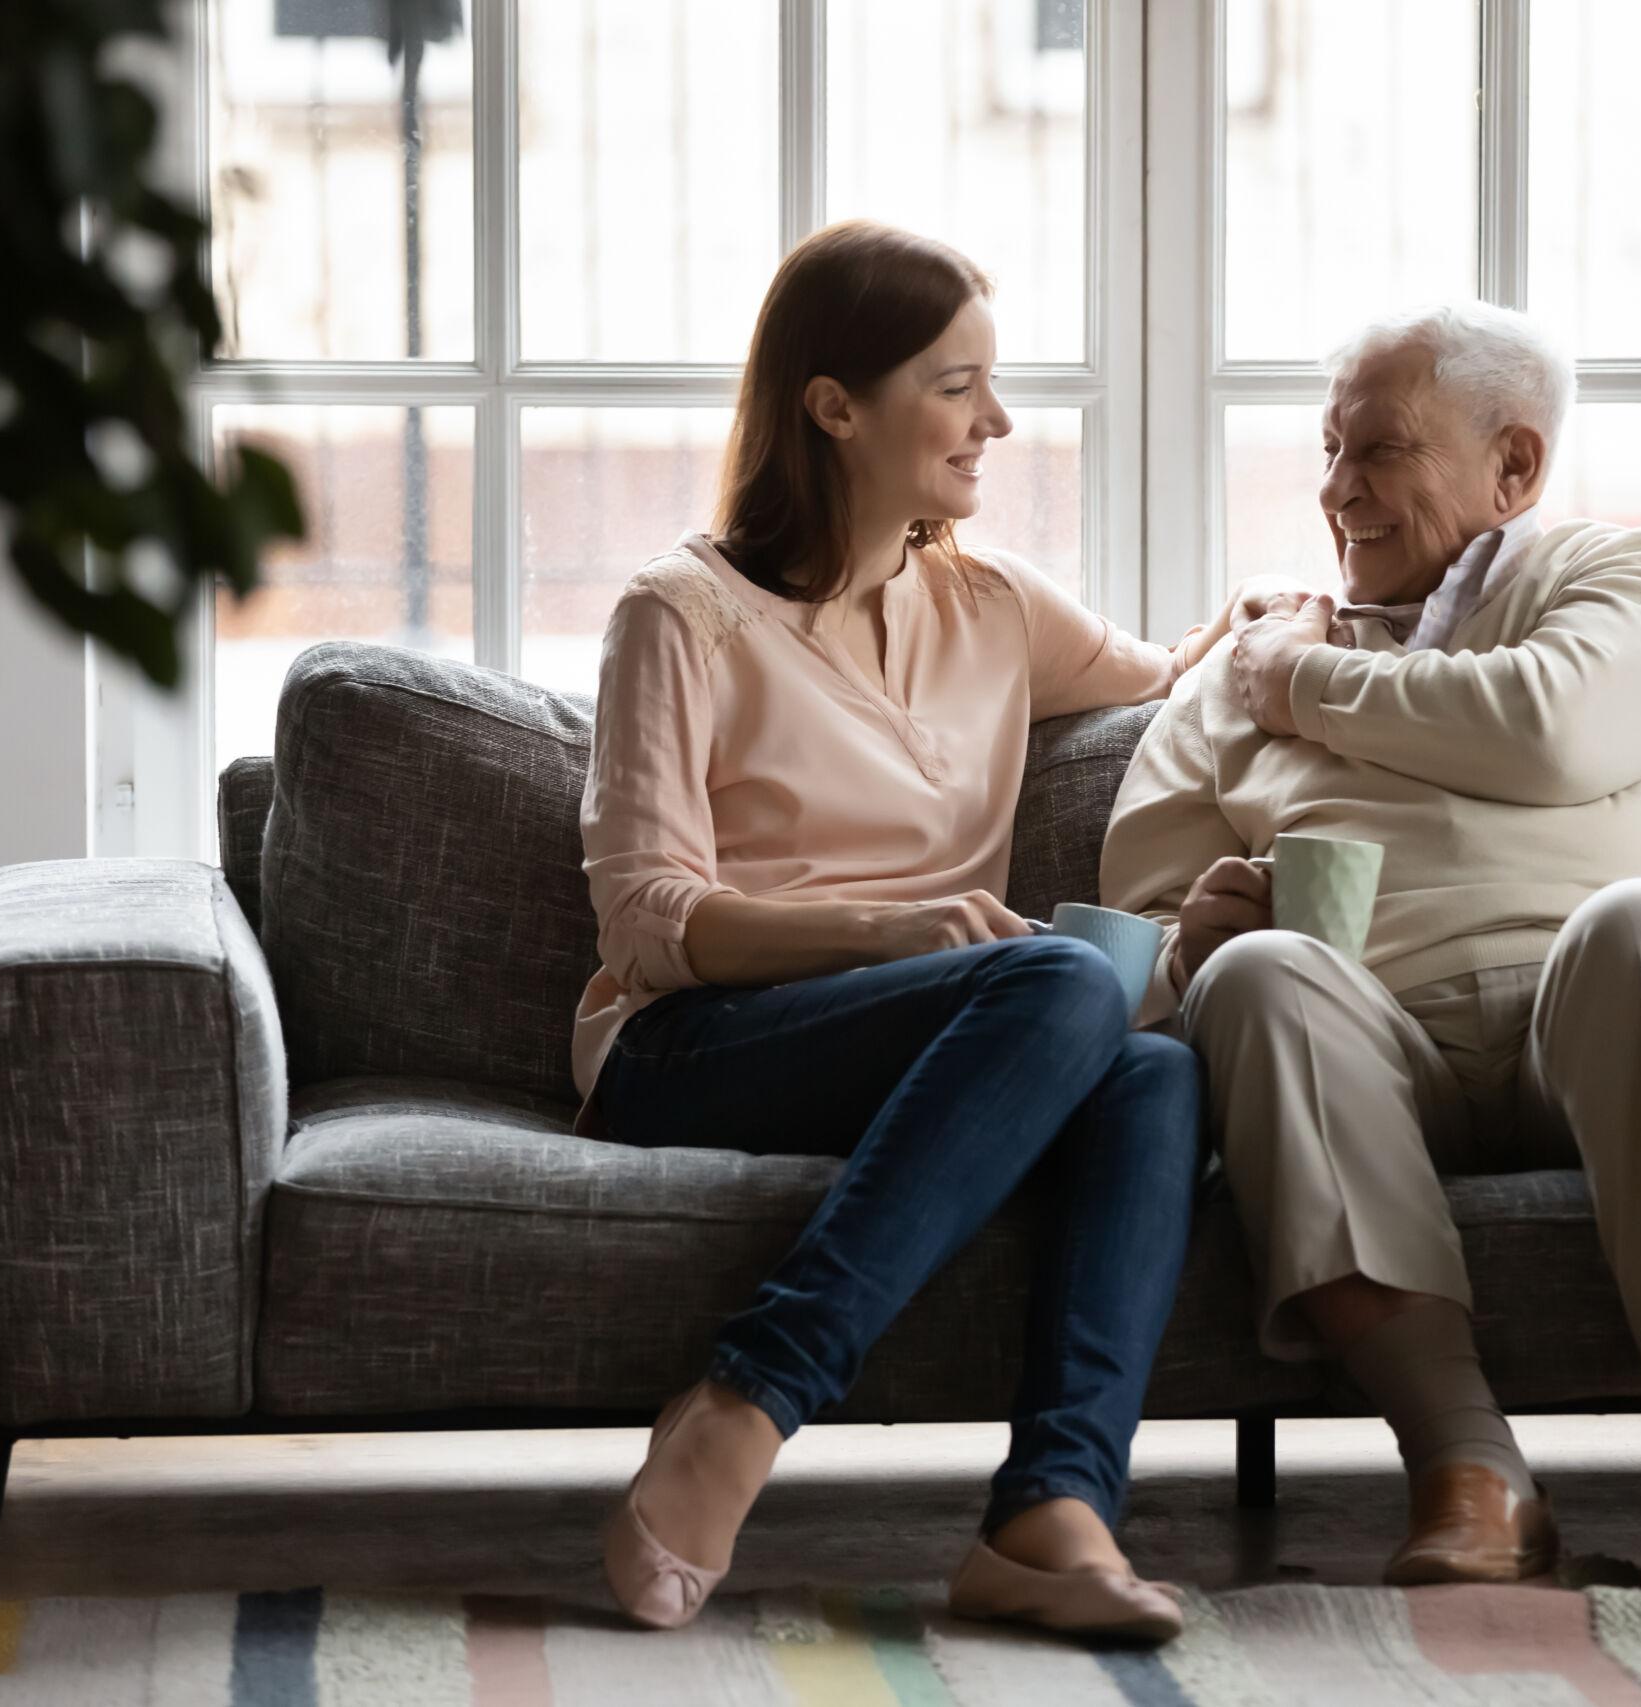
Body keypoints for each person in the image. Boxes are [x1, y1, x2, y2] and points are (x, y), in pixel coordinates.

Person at [572, 220, 1303, 1643]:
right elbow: (648, 921)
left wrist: (1283, 633)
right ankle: (749, 1400)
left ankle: (1053, 1509)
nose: (1000, 421)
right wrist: (890, 933)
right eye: (957, 385)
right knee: (1054, 990)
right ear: (835, 406)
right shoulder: (680, 617)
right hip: (689, 1047)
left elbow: (1175, 679)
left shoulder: (995, 607)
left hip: (943, 1036)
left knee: (1153, 1066)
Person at [1100, 300, 1641, 1615]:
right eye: (1328, 450)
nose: (1337, 490)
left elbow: (1547, 733)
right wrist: (1190, 946)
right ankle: (1468, 1472)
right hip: (1370, 1047)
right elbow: (1127, 936)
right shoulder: (1226, 682)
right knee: (1255, 978)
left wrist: (1299, 683)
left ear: (1514, 467)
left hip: (1585, 1020)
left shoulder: (1630, 583)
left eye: (1381, 452)